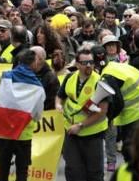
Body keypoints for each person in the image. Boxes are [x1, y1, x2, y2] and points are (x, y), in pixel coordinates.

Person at [0, 49, 45, 181]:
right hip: (24, 134)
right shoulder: (38, 87)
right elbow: (37, 115)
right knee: (22, 171)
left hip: (3, 132)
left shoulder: (4, 77)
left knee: (3, 169)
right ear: (33, 63)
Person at [55, 48, 108, 181]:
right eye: (85, 63)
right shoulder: (70, 77)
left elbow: (102, 112)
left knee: (94, 173)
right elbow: (60, 96)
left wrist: (81, 125)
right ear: (77, 64)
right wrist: (58, 105)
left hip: (93, 135)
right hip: (71, 133)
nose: (89, 65)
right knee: (73, 170)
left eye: (91, 62)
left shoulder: (100, 82)